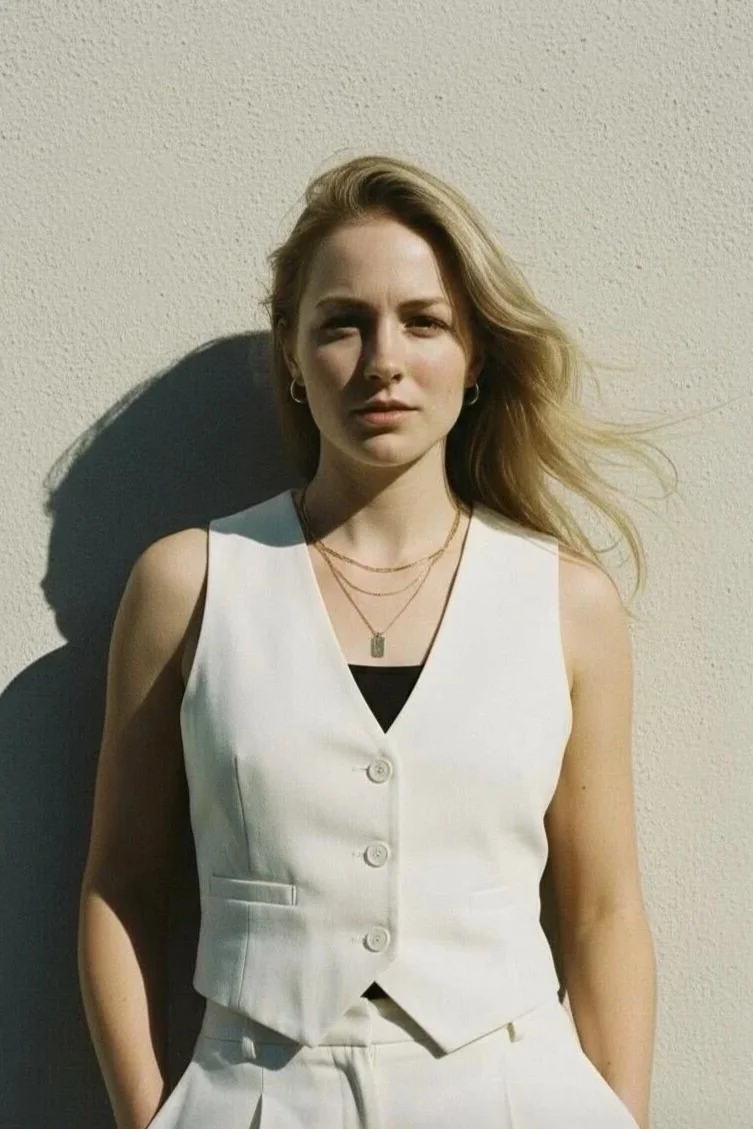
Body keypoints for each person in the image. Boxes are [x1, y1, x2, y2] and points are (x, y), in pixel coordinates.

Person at [78, 154, 660, 1129]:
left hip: (517, 1092)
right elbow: (122, 885)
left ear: (474, 359)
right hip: (255, 1093)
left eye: (424, 321)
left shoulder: (565, 599)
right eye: (342, 322)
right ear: (294, 359)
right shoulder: (191, 584)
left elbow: (604, 910)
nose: (382, 358)